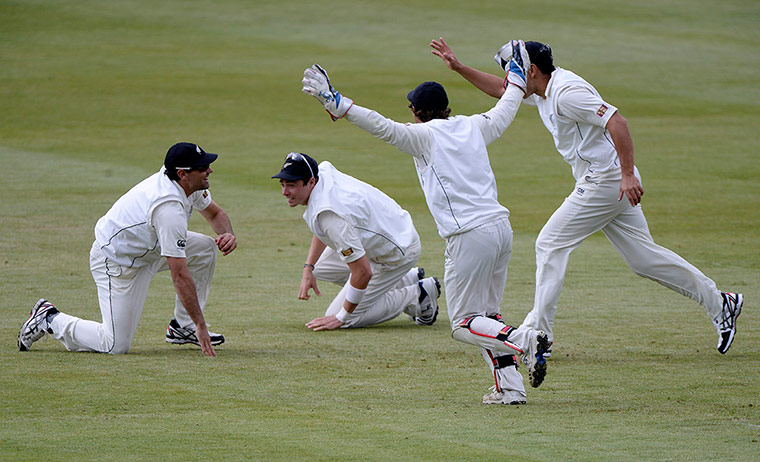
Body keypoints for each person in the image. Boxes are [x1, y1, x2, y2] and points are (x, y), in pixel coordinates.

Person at [430, 37, 744, 355]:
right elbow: (502, 88)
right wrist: (458, 68)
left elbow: (617, 122)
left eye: (515, 71)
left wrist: (626, 175)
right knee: (643, 259)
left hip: (606, 180)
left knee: (549, 243)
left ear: (533, 70)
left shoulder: (567, 94)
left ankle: (540, 334)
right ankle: (720, 302)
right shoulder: (541, 89)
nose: (511, 79)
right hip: (606, 179)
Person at [300, 47, 549, 406]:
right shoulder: (474, 126)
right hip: (501, 229)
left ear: (416, 113)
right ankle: (509, 389)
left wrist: (337, 103)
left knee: (464, 324)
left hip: (469, 237)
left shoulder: (422, 137)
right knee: (488, 318)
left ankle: (525, 340)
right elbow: (507, 106)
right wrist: (515, 73)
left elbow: (380, 126)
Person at [18, 142, 237, 356]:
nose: (210, 170)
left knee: (206, 248)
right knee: (114, 344)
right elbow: (179, 275)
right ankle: (49, 319)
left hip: (150, 248)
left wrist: (227, 234)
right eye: (202, 168)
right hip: (117, 262)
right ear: (182, 174)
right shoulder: (169, 209)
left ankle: (182, 327)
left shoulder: (190, 184)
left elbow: (216, 214)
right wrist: (201, 324)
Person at [273, 152, 440, 331]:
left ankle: (417, 295)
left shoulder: (332, 217)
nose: (285, 192)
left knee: (342, 316)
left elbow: (362, 271)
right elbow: (321, 226)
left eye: (291, 185)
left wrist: (342, 317)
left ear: (311, 182)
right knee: (320, 267)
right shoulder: (321, 173)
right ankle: (407, 278)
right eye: (282, 184)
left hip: (397, 253)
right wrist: (308, 267)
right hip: (390, 233)